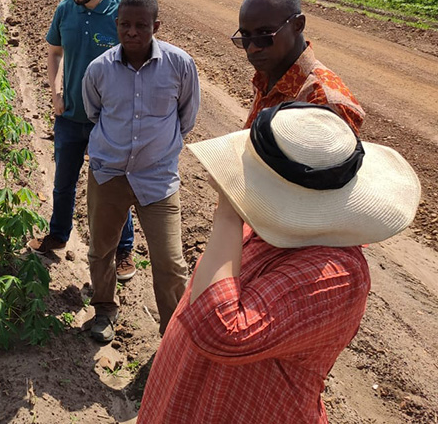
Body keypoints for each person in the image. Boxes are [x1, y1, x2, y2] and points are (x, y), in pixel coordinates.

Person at [138, 102, 421, 423]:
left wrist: (229, 213)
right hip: (194, 396)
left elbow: (219, 329)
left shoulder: (338, 272)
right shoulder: (268, 225)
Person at [82, 0, 200, 343]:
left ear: (156, 26)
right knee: (101, 250)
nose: (132, 32)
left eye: (141, 25)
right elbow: (93, 113)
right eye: (125, 25)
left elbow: (187, 117)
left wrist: (157, 149)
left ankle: (172, 336)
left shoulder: (180, 65)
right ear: (116, 25)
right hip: (109, 174)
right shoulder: (99, 69)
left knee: (170, 262)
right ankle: (104, 309)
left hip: (158, 179)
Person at [30, 0, 138, 282]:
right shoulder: (65, 10)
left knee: (113, 187)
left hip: (108, 122)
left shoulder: (123, 13)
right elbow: (54, 52)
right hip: (69, 115)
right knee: (63, 184)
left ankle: (124, 249)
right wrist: (56, 89)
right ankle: (58, 236)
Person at [232, 0, 364, 133]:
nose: (252, 48)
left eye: (264, 35)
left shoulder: (324, 103)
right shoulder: (270, 74)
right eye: (245, 36)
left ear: (298, 25)